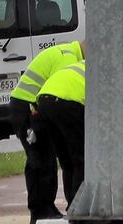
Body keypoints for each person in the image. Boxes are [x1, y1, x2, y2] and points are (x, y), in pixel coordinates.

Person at [9, 40, 83, 224]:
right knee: (39, 159)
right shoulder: (68, 59)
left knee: (47, 158)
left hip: (33, 105)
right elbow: (58, 90)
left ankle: (46, 208)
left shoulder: (68, 52)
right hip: (27, 107)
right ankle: (40, 210)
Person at [35, 59, 87, 205]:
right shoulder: (114, 73)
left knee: (67, 161)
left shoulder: (83, 65)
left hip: (44, 100)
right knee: (81, 160)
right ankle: (78, 208)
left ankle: (72, 205)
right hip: (67, 102)